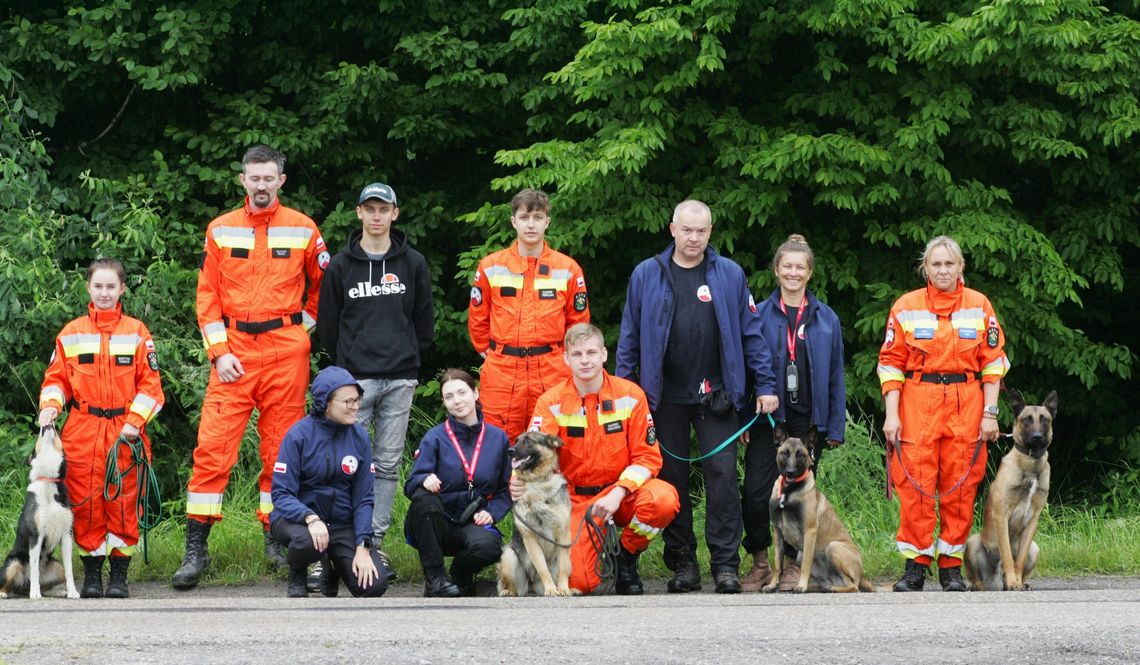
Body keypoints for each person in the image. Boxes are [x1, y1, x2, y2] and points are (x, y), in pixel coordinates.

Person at [174, 145, 328, 589]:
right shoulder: (220, 230)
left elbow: (323, 287)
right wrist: (219, 353)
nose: (261, 185)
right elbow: (207, 297)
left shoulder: (303, 229)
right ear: (242, 179)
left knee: (282, 452)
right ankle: (196, 548)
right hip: (234, 352)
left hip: (285, 350)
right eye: (253, 177)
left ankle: (276, 537)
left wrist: (302, 332)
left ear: (282, 180)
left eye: (269, 178)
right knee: (212, 450)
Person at [616, 200, 778, 594]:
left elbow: (751, 334)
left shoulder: (729, 274)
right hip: (662, 398)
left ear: (710, 231)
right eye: (687, 230)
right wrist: (622, 393)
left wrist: (767, 385)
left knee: (722, 479)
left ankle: (725, 564)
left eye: (701, 231)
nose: (694, 237)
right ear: (672, 229)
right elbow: (629, 339)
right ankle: (683, 563)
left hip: (718, 398)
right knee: (672, 482)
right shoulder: (646, 274)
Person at [878, 235, 1009, 592]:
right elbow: (890, 365)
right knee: (915, 485)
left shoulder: (980, 305)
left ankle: (950, 566)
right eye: (936, 264)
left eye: (949, 263)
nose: (942, 270)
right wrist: (892, 416)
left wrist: (990, 414)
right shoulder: (906, 306)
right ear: (925, 268)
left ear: (961, 267)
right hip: (917, 401)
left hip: (967, 402)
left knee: (961, 486)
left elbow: (993, 365)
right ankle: (915, 566)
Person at [318, 182, 433, 577]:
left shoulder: (413, 263)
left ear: (395, 214)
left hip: (399, 379)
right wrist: (347, 369)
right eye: (370, 209)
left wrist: (408, 359)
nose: (377, 216)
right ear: (359, 213)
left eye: (384, 209)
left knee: (386, 465)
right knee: (347, 463)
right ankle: (342, 543)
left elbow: (424, 323)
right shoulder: (340, 265)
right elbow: (328, 327)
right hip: (355, 382)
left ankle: (374, 544)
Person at [37, 258, 165, 599]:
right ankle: (92, 574)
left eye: (111, 287)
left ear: (122, 289)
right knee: (85, 502)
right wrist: (50, 407)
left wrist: (135, 424)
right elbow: (56, 381)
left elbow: (152, 388)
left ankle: (119, 576)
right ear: (88, 289)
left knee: (123, 502)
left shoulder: (137, 332)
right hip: (82, 429)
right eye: (99, 286)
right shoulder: (72, 332)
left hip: (125, 430)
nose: (104, 293)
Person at [526, 323, 680, 595]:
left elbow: (648, 458)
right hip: (574, 499)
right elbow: (536, 456)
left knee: (663, 500)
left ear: (604, 355)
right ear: (566, 359)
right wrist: (520, 481)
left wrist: (619, 492)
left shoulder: (630, 395)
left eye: (591, 352)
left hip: (621, 493)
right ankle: (599, 556)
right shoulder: (550, 402)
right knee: (582, 584)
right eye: (577, 354)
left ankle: (626, 558)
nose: (585, 360)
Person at [740, 234, 847, 592]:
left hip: (808, 420)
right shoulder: (758, 313)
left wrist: (834, 424)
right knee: (758, 493)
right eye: (787, 266)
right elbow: (745, 364)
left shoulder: (826, 318)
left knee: (802, 501)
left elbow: (835, 373)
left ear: (810, 272)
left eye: (800, 267)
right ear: (776, 270)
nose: (793, 273)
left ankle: (789, 567)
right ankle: (759, 561)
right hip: (768, 414)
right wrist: (743, 414)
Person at [468, 188, 590, 442]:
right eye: (524, 217)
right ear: (513, 221)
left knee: (553, 443)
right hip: (502, 372)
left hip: (552, 369)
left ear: (548, 221)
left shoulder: (567, 268)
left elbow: (578, 326)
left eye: (537, 217)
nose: (531, 224)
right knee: (496, 444)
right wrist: (495, 355)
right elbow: (478, 319)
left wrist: (562, 359)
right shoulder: (491, 266)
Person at [269, 366, 389, 598]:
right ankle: (298, 572)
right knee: (306, 543)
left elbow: (364, 497)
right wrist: (310, 518)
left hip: (341, 524)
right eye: (348, 401)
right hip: (299, 522)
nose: (355, 406)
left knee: (373, 587)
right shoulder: (298, 436)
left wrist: (363, 545)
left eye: (357, 399)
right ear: (325, 403)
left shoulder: (360, 437)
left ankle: (332, 566)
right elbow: (281, 494)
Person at [404, 369, 511, 597]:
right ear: (443, 402)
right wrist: (424, 479)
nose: (457, 401)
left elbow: (505, 490)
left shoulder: (498, 438)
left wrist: (492, 512)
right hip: (437, 520)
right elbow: (410, 484)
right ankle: (435, 580)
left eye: (462, 393)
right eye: (449, 396)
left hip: (472, 518)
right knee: (423, 498)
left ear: (475, 393)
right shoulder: (434, 437)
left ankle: (459, 577)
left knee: (490, 547)